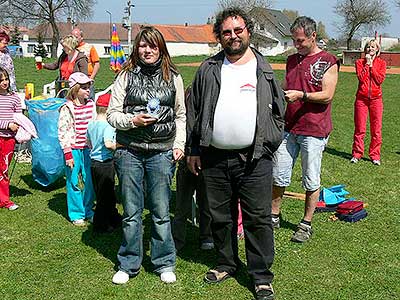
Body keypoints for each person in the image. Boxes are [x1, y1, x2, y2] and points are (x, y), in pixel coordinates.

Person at [186, 7, 285, 300]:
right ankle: (226, 262)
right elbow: (194, 111)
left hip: (254, 159)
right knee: (220, 216)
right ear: (220, 36)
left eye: (238, 30)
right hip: (214, 157)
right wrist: (194, 149)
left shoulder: (264, 69)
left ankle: (261, 276)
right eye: (227, 32)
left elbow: (279, 111)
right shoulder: (208, 69)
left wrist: (269, 143)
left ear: (248, 32)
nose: (233, 36)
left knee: (257, 218)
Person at [107, 26, 186, 285]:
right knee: (131, 212)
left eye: (153, 46)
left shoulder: (174, 77)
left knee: (161, 211)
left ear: (161, 48)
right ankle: (129, 262)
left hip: (162, 152)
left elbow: (181, 115)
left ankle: (164, 262)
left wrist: (179, 144)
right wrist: (133, 121)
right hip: (129, 151)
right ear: (136, 48)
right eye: (143, 45)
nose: (147, 50)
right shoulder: (125, 76)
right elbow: (112, 114)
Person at [271, 16, 339, 243]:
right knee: (278, 175)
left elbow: (328, 95)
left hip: (314, 129)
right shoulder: (292, 60)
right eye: (294, 40)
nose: (296, 44)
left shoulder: (328, 61)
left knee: (311, 179)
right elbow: (284, 86)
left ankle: (306, 224)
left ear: (313, 36)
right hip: (288, 128)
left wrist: (302, 95)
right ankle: (273, 216)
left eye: (300, 41)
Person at [172, 86, 213, 251]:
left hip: (205, 161)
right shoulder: (182, 120)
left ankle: (206, 236)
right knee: (183, 204)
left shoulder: (207, 116)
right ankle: (178, 239)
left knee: (205, 202)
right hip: (186, 161)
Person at [58, 72, 95, 226]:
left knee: (89, 179)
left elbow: (94, 126)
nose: (88, 90)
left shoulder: (91, 104)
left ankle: (88, 210)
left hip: (88, 148)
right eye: (84, 88)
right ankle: (76, 213)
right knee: (73, 180)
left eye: (89, 87)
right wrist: (67, 153)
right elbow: (63, 130)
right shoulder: (67, 108)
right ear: (75, 89)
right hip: (72, 148)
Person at [86, 93, 122, 233]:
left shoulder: (91, 124)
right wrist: (119, 145)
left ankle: (114, 218)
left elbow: (88, 142)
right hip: (105, 163)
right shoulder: (108, 126)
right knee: (105, 195)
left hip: (94, 163)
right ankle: (100, 224)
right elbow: (108, 144)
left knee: (102, 192)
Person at [351, 39, 386, 166]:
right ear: (365, 49)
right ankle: (356, 154)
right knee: (360, 128)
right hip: (361, 99)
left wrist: (372, 66)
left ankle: (375, 155)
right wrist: (367, 64)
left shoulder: (382, 63)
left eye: (373, 47)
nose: (370, 49)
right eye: (368, 47)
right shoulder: (359, 62)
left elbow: (379, 80)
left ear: (377, 49)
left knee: (376, 129)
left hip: (376, 100)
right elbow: (361, 78)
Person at [0, 67, 20, 210]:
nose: (5, 82)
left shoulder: (15, 98)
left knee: (4, 169)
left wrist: (21, 132)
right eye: (1, 80)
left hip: (9, 140)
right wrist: (8, 124)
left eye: (6, 79)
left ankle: (4, 200)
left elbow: (19, 119)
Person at [71, 28, 100, 99]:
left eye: (76, 37)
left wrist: (91, 78)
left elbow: (97, 64)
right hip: (74, 80)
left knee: (88, 100)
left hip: (87, 79)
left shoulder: (89, 47)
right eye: (72, 37)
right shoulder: (70, 49)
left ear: (82, 37)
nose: (74, 39)